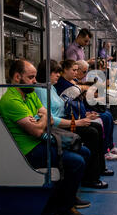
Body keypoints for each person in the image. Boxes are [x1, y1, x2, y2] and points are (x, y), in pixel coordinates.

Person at [0, 59, 91, 215]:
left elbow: (49, 118)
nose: (35, 81)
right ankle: (64, 210)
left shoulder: (30, 92)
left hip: (40, 141)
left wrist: (41, 118)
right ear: (17, 77)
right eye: (31, 77)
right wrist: (43, 119)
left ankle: (68, 196)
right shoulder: (11, 101)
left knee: (84, 151)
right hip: (28, 150)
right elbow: (38, 130)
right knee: (76, 161)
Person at [35, 60, 111, 188]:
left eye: (58, 72)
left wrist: (83, 115)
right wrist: (76, 122)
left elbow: (63, 108)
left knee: (96, 126)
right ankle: (90, 178)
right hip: (56, 126)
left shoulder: (51, 87)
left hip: (64, 120)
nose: (58, 75)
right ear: (46, 73)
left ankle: (98, 169)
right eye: (54, 72)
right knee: (91, 132)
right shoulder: (41, 90)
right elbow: (49, 117)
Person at [55, 60, 117, 160]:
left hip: (81, 109)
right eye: (74, 70)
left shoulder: (73, 81)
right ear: (65, 70)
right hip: (75, 113)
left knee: (108, 115)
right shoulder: (63, 83)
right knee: (104, 117)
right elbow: (74, 97)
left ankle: (110, 146)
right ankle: (104, 151)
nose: (75, 73)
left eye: (76, 70)